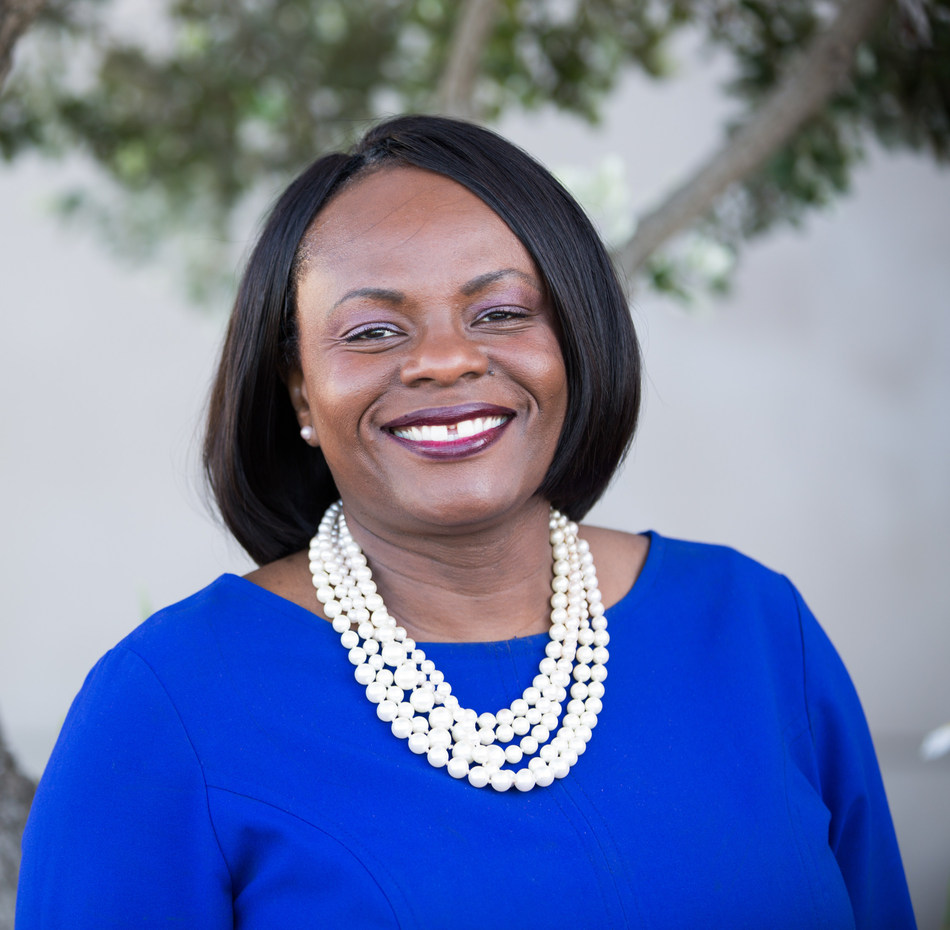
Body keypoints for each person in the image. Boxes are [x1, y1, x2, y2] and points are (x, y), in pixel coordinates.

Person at [17, 115, 915, 928]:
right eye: (371, 332)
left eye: (501, 313)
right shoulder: (165, 709)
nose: (446, 360)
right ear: (298, 388)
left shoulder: (753, 630)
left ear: (572, 343)